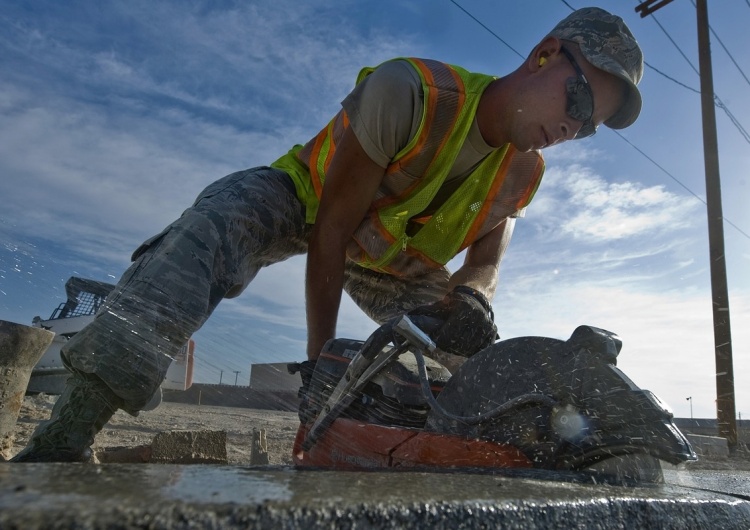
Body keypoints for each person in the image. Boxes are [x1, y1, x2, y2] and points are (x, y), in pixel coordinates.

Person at [12, 7, 643, 462]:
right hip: (307, 206)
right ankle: (67, 432)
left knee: (474, 357)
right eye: (580, 105)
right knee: (213, 227)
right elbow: (333, 231)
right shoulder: (412, 93)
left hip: (393, 261)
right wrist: (319, 367)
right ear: (544, 56)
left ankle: (451, 456)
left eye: (589, 129)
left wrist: (474, 294)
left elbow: (489, 247)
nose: (573, 130)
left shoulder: (527, 168)